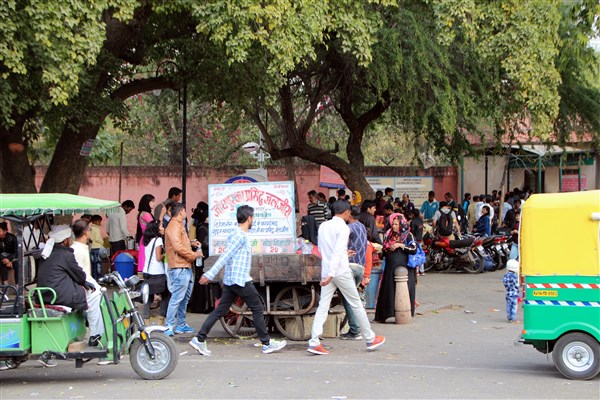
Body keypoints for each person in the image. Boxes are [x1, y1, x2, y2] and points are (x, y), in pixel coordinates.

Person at [189, 205, 287, 355]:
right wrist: (210, 274)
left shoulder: (237, 234)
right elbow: (225, 256)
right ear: (249, 218)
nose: (253, 221)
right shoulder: (239, 236)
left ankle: (199, 339)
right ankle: (266, 343)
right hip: (239, 280)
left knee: (220, 310)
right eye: (252, 218)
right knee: (257, 308)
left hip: (232, 280)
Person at [307, 200, 385, 355]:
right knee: (356, 303)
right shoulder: (343, 228)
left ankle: (314, 341)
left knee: (323, 306)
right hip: (339, 271)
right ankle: (370, 338)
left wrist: (331, 270)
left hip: (328, 270)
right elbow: (337, 251)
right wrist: (333, 271)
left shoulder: (323, 226)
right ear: (347, 212)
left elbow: (322, 249)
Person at [38, 225, 96, 366]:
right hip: (57, 295)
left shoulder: (49, 252)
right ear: (65, 241)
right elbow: (79, 274)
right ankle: (94, 334)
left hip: (45, 294)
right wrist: (84, 282)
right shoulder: (65, 254)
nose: (71, 240)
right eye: (69, 238)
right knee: (92, 297)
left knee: (83, 292)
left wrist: (83, 282)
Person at [164, 203, 202, 336]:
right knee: (176, 298)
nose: (186, 213)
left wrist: (191, 243)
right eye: (185, 211)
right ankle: (169, 325)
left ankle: (181, 324)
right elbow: (177, 247)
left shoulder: (179, 225)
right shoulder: (174, 225)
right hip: (179, 267)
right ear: (181, 212)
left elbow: (180, 243)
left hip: (185, 266)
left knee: (184, 298)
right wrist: (194, 255)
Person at [374, 213, 418, 321]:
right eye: (393, 224)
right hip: (390, 268)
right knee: (388, 290)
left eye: (396, 224)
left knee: (403, 291)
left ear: (401, 224)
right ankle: (385, 315)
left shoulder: (408, 235)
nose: (394, 226)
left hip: (405, 269)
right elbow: (384, 251)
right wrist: (384, 250)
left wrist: (400, 245)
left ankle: (403, 314)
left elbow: (414, 249)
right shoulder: (389, 234)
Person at [70, 220, 104, 346]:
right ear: (86, 232)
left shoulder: (81, 247)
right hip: (79, 285)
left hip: (84, 282)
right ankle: (95, 334)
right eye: (89, 229)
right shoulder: (77, 250)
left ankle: (98, 332)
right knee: (95, 298)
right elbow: (80, 273)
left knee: (100, 294)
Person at [339, 206, 367, 341]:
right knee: (353, 299)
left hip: (350, 266)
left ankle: (355, 330)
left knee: (349, 300)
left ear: (349, 214)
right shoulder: (362, 227)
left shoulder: (348, 228)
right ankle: (358, 328)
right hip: (360, 267)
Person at [142, 221, 170, 324]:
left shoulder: (147, 240)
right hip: (157, 271)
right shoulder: (158, 240)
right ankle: (161, 318)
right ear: (156, 229)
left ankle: (146, 319)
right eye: (161, 226)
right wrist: (166, 254)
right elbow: (158, 257)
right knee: (165, 294)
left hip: (147, 271)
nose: (163, 228)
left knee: (149, 295)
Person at [189, 202, 214, 314]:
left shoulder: (203, 226)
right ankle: (202, 306)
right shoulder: (202, 227)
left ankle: (204, 305)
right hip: (202, 257)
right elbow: (202, 243)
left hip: (204, 257)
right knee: (202, 279)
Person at [136, 194, 156, 275]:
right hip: (147, 239)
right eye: (152, 201)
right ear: (147, 202)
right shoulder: (145, 214)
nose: (154, 203)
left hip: (145, 239)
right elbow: (154, 226)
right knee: (146, 259)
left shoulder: (143, 213)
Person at [0, 222, 18, 286]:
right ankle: (5, 285)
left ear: (5, 231)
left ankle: (18, 285)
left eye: (0, 231)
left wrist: (9, 260)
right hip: (2, 259)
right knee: (1, 264)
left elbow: (16, 252)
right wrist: (4, 260)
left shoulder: (12, 238)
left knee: (17, 264)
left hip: (12, 258)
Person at [89, 215, 105, 280]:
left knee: (93, 263)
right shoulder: (96, 229)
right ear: (95, 221)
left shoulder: (90, 228)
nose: (100, 223)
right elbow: (97, 238)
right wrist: (102, 242)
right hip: (97, 247)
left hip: (92, 247)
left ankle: (94, 277)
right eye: (99, 221)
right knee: (98, 263)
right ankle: (99, 277)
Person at [410, 209, 425, 276]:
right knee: (420, 255)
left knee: (415, 256)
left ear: (413, 214)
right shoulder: (421, 220)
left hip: (415, 240)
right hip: (420, 239)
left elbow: (412, 232)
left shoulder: (413, 222)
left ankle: (417, 271)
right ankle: (422, 270)